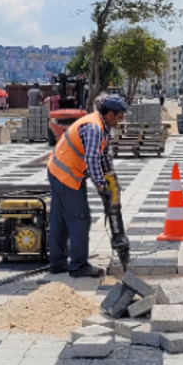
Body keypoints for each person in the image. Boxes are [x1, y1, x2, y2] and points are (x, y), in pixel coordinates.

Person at [46, 94, 128, 278]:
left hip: (57, 171)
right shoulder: (94, 128)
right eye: (120, 115)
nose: (121, 119)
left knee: (60, 220)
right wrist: (100, 185)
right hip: (66, 175)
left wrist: (111, 180)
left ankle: (57, 263)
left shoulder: (102, 127)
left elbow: (104, 157)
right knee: (80, 219)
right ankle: (78, 265)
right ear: (109, 114)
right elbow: (92, 159)